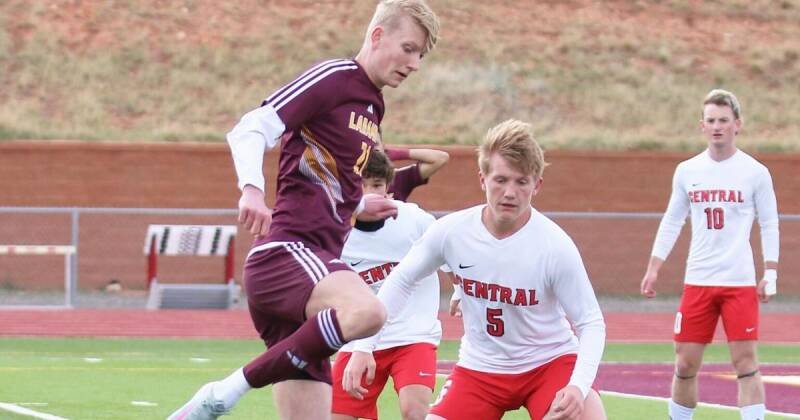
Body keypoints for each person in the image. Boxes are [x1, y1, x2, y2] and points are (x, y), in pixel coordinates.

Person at [168, 1, 440, 419]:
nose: (415, 63)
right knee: (369, 311)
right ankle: (223, 392)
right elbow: (250, 128)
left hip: (309, 271)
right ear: (378, 36)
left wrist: (358, 211)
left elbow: (329, 178)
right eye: (408, 48)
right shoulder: (334, 77)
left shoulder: (372, 107)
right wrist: (252, 190)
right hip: (288, 255)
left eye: (421, 54)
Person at [344, 119, 607, 420]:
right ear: (482, 179)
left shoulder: (555, 245)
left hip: (548, 364)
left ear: (537, 185)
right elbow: (401, 280)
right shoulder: (452, 231)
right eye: (500, 180)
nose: (510, 192)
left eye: (522, 182)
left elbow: (590, 322)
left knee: (587, 416)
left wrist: (578, 386)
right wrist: (365, 345)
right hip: (480, 371)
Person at [640, 89, 779, 420]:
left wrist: (770, 272)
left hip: (739, 281)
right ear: (702, 125)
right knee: (685, 362)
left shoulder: (755, 172)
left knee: (745, 363)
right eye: (711, 120)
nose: (717, 126)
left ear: (737, 125)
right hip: (699, 279)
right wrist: (653, 266)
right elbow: (673, 220)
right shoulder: (687, 171)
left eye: (724, 120)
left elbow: (770, 223)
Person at [332, 151, 442, 420]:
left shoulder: (414, 219)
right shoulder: (333, 229)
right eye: (361, 184)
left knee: (414, 411)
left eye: (377, 185)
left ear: (388, 188)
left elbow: (452, 254)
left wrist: (461, 292)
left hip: (412, 335)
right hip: (357, 339)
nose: (369, 192)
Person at [383, 146, 450, 201]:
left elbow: (441, 158)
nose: (372, 148)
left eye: (375, 144)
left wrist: (394, 153)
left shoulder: (398, 178)